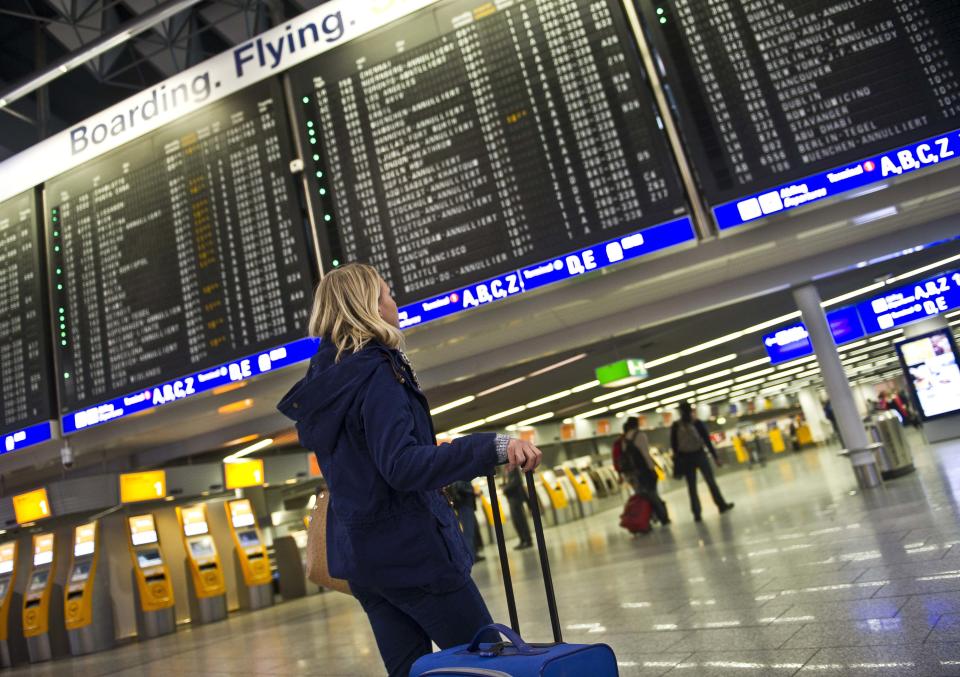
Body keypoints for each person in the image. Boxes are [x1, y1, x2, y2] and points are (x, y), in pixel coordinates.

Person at [278, 263, 542, 677]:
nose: (394, 300)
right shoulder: (375, 372)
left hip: (364, 561)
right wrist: (489, 446)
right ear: (369, 307)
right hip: (413, 554)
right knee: (487, 666)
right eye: (387, 293)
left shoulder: (324, 383)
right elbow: (402, 466)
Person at [670, 401, 734, 522]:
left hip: (686, 458)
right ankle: (721, 505)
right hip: (699, 455)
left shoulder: (676, 425)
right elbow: (707, 441)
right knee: (711, 481)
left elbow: (674, 445)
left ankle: (696, 513)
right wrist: (716, 457)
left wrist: (678, 459)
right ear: (691, 410)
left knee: (692, 486)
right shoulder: (697, 423)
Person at [621, 418, 670, 525]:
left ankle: (647, 518)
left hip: (635, 473)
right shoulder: (640, 435)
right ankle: (663, 517)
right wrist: (652, 469)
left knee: (643, 495)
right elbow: (645, 454)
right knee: (653, 493)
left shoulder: (624, 440)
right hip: (645, 470)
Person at [449, 481, 484, 562]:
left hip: (466, 505)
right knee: (468, 533)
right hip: (465, 506)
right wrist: (474, 493)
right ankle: (471, 557)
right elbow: (461, 488)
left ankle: (474, 554)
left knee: (471, 531)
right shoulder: (460, 475)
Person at [503, 467, 533, 550]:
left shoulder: (513, 468)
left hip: (516, 498)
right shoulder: (507, 469)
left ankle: (527, 540)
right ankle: (523, 540)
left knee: (520, 520)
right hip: (512, 498)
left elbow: (517, 481)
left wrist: (505, 489)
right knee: (516, 521)